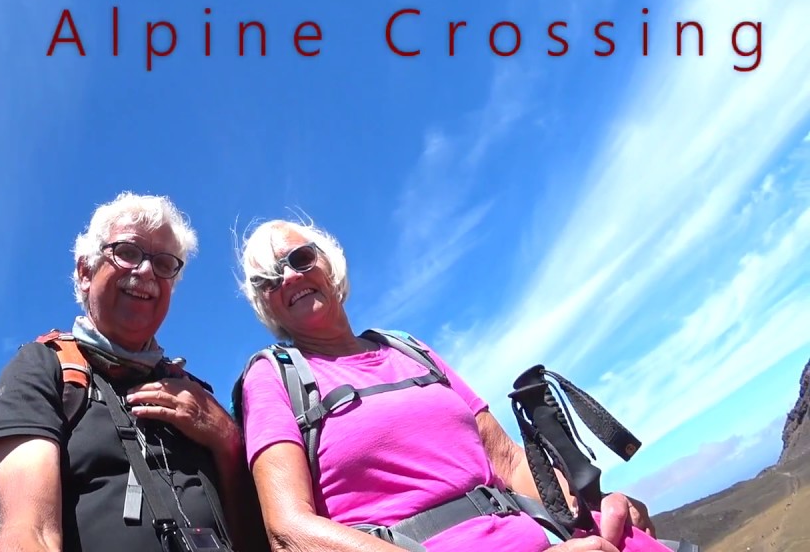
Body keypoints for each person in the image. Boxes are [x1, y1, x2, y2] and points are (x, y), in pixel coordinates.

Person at [233, 217, 672, 552]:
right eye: (267, 279)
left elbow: (507, 460)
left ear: (328, 263)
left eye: (299, 259)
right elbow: (288, 529)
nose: (288, 277)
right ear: (264, 305)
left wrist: (587, 511)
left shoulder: (408, 348)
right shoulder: (272, 375)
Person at [0, 192, 263, 552]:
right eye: (127, 252)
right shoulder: (45, 367)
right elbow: (29, 532)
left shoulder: (195, 392)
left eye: (164, 263)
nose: (146, 271)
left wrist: (226, 437)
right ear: (85, 271)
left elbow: (258, 533)